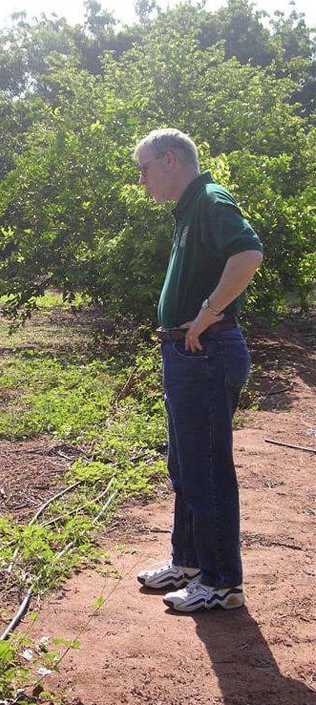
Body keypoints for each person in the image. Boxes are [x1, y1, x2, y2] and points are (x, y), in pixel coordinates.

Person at [134, 129, 263, 613]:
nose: (143, 179)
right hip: (188, 354)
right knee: (185, 464)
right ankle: (188, 563)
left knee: (206, 468)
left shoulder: (210, 200)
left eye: (145, 168)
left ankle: (222, 580)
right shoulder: (189, 209)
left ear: (170, 160)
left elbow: (249, 254)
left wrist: (207, 313)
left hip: (206, 351)